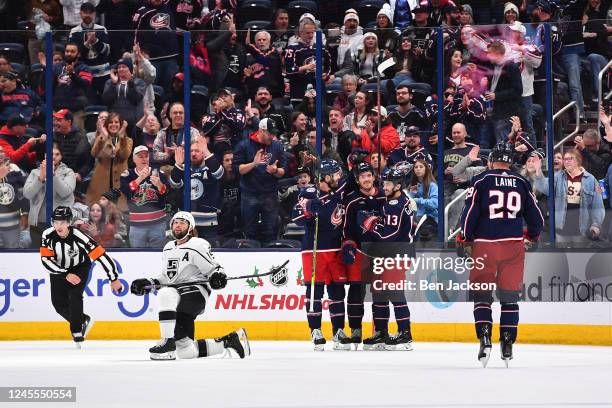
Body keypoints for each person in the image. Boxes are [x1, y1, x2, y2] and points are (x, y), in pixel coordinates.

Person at [457, 142, 544, 367]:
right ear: (510, 162)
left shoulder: (482, 180)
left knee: (482, 295)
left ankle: (485, 337)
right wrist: (532, 235)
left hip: (485, 245)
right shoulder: (522, 182)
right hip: (513, 246)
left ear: (491, 161)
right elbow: (537, 220)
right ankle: (507, 341)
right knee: (509, 297)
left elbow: (470, 214)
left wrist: (465, 237)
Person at [130, 211, 250, 360]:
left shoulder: (197, 244)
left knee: (166, 293)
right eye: (175, 222)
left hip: (195, 294)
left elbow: (214, 268)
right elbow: (167, 277)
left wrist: (218, 276)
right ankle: (230, 340)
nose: (177, 225)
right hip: (177, 297)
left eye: (182, 222)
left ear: (190, 227)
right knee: (186, 351)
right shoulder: (168, 247)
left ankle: (167, 341)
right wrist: (149, 283)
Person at [39, 206, 122, 347]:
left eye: (63, 222)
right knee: (58, 304)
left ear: (69, 222)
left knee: (74, 295)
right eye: (56, 222)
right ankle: (83, 319)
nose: (59, 226)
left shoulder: (80, 237)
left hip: (80, 267)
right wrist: (65, 273)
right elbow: (46, 261)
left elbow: (101, 255)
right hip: (59, 269)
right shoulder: (47, 235)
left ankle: (76, 331)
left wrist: (113, 278)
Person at [291, 159, 351, 350]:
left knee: (337, 292)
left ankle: (338, 331)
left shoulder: (340, 193)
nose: (338, 177)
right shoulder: (309, 193)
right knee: (314, 293)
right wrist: (309, 209)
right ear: (326, 177)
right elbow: (297, 217)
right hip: (313, 250)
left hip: (335, 250)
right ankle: (315, 330)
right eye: (335, 174)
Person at [358, 167, 414, 350]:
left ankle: (405, 335)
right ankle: (381, 333)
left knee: (394, 293)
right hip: (387, 254)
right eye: (385, 183)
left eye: (389, 183)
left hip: (395, 254)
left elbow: (388, 235)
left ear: (398, 185)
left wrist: (370, 224)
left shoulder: (394, 204)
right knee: (379, 294)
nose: (384, 186)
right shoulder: (397, 200)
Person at [342, 161, 386, 348]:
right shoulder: (352, 201)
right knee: (355, 293)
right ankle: (355, 330)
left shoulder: (385, 197)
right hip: (360, 253)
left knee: (380, 295)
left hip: (382, 253)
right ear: (357, 180)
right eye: (362, 176)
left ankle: (380, 331)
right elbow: (347, 230)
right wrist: (349, 246)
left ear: (374, 177)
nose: (367, 179)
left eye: (369, 175)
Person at [232, 118, 286, 244]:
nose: (272, 136)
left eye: (274, 133)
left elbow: (283, 170)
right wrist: (254, 163)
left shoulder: (277, 145)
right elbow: (238, 170)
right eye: (270, 133)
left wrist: (275, 171)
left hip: (270, 193)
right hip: (250, 193)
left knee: (271, 229)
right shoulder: (244, 145)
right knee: (250, 230)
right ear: (261, 131)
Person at [170, 140, 224, 244]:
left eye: (197, 151)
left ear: (203, 152)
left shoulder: (210, 168)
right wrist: (178, 164)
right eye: (191, 151)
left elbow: (219, 173)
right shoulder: (183, 168)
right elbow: (174, 184)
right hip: (186, 223)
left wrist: (207, 151)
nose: (193, 153)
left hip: (208, 224)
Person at [23, 144, 76, 248]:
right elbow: (27, 194)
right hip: (37, 223)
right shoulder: (35, 172)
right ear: (45, 155)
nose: (54, 157)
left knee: (59, 252)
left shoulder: (68, 172)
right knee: (38, 254)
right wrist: (40, 178)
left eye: (57, 154)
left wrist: (53, 175)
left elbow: (65, 192)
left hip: (60, 222)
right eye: (51, 154)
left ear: (61, 156)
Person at [549, 149, 605, 246]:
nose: (567, 161)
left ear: (578, 160)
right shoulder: (558, 177)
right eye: (565, 159)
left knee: (580, 259)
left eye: (570, 158)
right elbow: (544, 189)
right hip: (561, 230)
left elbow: (598, 204)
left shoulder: (591, 179)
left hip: (581, 230)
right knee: (561, 259)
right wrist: (537, 172)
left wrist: (596, 224)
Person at [120, 145, 169, 248]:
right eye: (140, 156)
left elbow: (166, 194)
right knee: (137, 255)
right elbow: (127, 191)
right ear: (134, 159)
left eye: (146, 156)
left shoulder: (159, 173)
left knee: (158, 256)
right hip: (137, 225)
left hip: (158, 224)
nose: (144, 159)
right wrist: (140, 178)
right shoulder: (127, 174)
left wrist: (159, 185)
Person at [86, 112, 132, 208]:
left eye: (116, 122)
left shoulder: (127, 140)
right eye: (110, 122)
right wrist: (104, 135)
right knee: (100, 214)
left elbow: (123, 156)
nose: (113, 124)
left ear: (121, 124)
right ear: (107, 125)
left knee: (119, 216)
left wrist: (122, 136)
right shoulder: (100, 139)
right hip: (101, 183)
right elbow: (94, 153)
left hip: (119, 184)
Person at [408, 159, 439, 242]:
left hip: (429, 218)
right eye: (416, 167)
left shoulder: (432, 185)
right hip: (415, 218)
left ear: (426, 169)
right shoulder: (413, 185)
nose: (418, 169)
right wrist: (411, 194)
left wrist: (418, 200)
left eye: (421, 167)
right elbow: (409, 203)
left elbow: (435, 203)